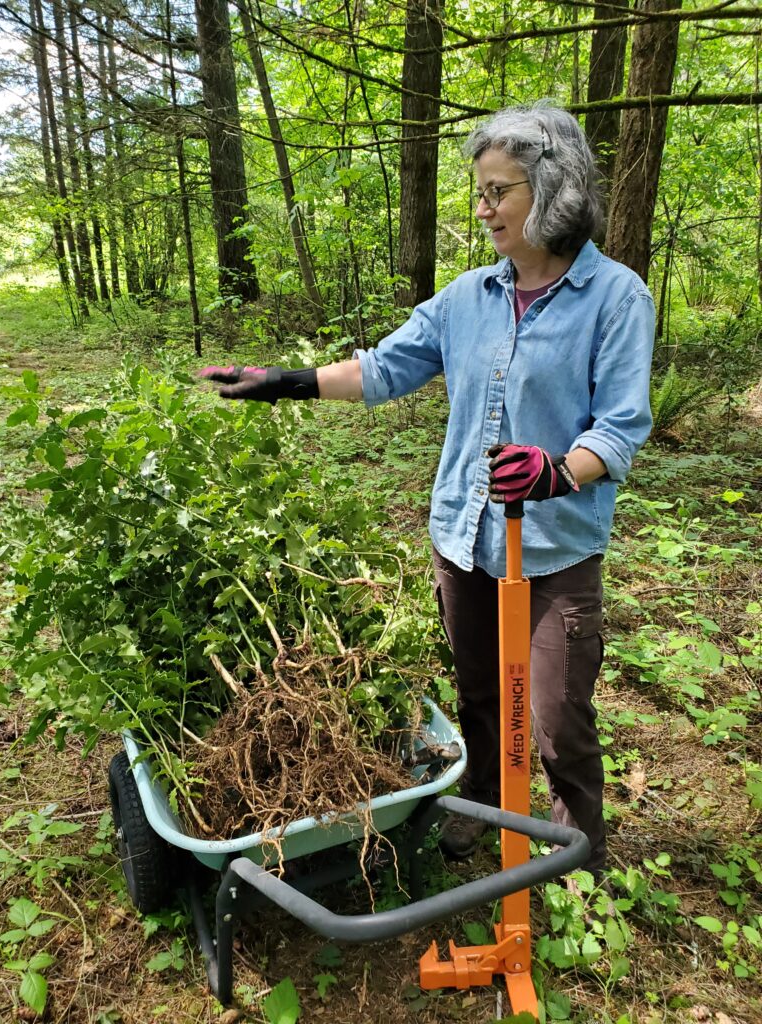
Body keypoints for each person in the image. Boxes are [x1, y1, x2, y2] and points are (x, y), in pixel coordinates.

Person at [200, 103, 655, 877]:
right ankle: (482, 796)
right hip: (467, 536)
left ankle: (578, 846)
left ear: (552, 190)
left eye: (497, 191)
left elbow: (619, 428)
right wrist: (285, 380)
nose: (482, 210)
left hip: (554, 550)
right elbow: (383, 370)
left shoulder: (616, 297)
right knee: (478, 691)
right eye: (478, 193)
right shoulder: (466, 297)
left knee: (556, 717)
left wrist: (556, 470)